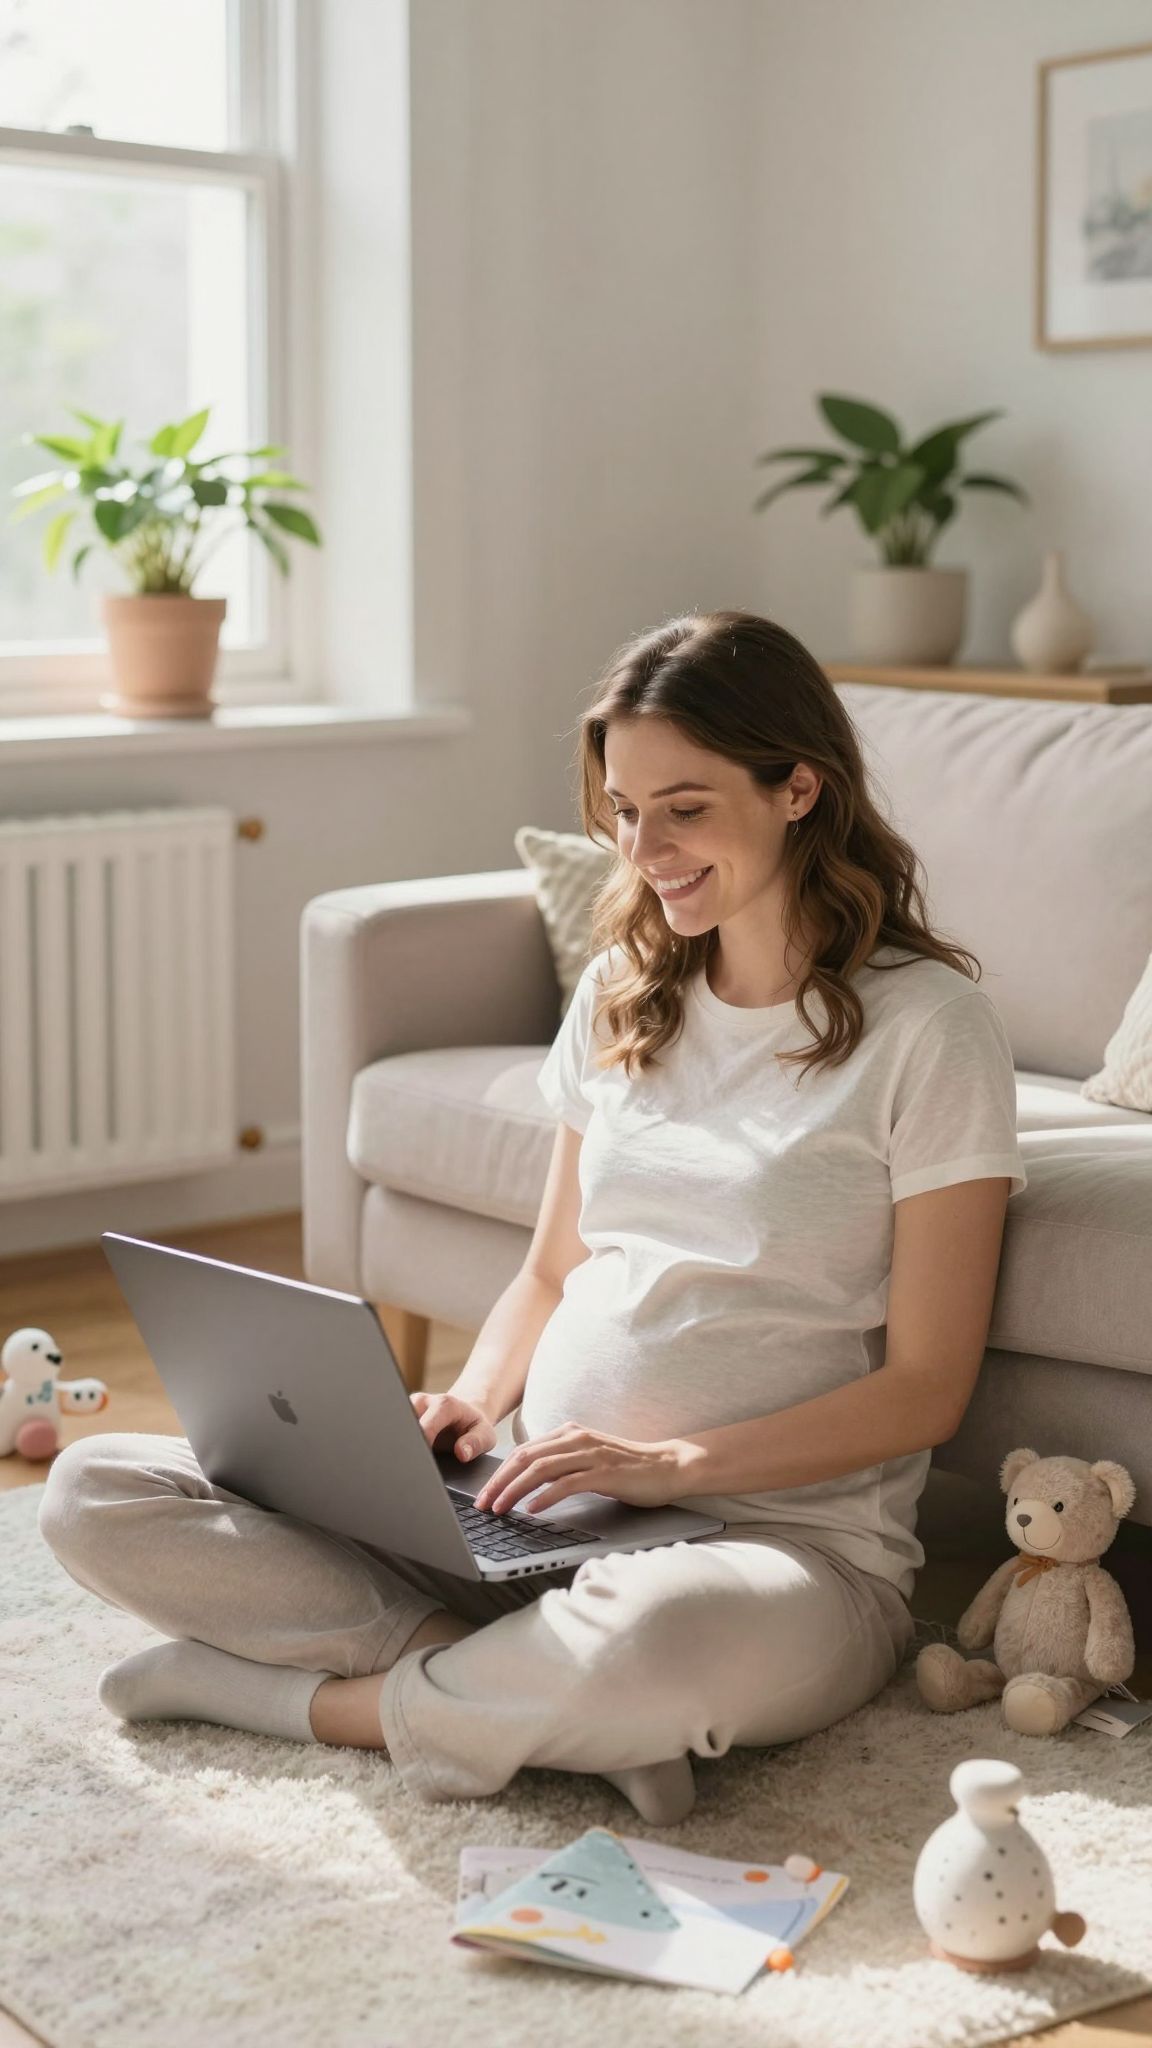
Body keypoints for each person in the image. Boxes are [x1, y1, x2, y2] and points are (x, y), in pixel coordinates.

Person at [39, 609, 1027, 1827]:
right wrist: (472, 1399)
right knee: (95, 1485)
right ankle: (514, 1687)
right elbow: (550, 1272)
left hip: (775, 1554)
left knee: (651, 1643)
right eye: (623, 808)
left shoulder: (929, 1028)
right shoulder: (628, 988)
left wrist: (674, 1464)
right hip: (527, 1514)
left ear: (798, 789)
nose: (645, 846)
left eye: (685, 805)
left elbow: (928, 1385)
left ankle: (293, 1695)